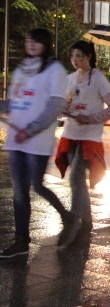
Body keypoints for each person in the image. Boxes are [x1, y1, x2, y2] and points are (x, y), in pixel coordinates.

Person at [0, 28, 79, 258]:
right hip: (17, 140)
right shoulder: (22, 68)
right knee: (19, 191)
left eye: (37, 41)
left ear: (46, 44)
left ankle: (68, 218)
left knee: (38, 185)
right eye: (28, 40)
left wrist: (32, 129)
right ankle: (21, 241)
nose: (32, 44)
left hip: (37, 140)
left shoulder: (55, 70)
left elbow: (55, 106)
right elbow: (15, 102)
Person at [54, 41, 110, 240]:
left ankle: (75, 220)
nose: (75, 60)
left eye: (79, 56)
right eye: (73, 56)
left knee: (76, 176)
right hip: (71, 133)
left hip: (89, 136)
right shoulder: (69, 79)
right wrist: (64, 109)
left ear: (89, 56)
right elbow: (65, 102)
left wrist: (92, 118)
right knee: (76, 181)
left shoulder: (99, 79)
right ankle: (86, 221)